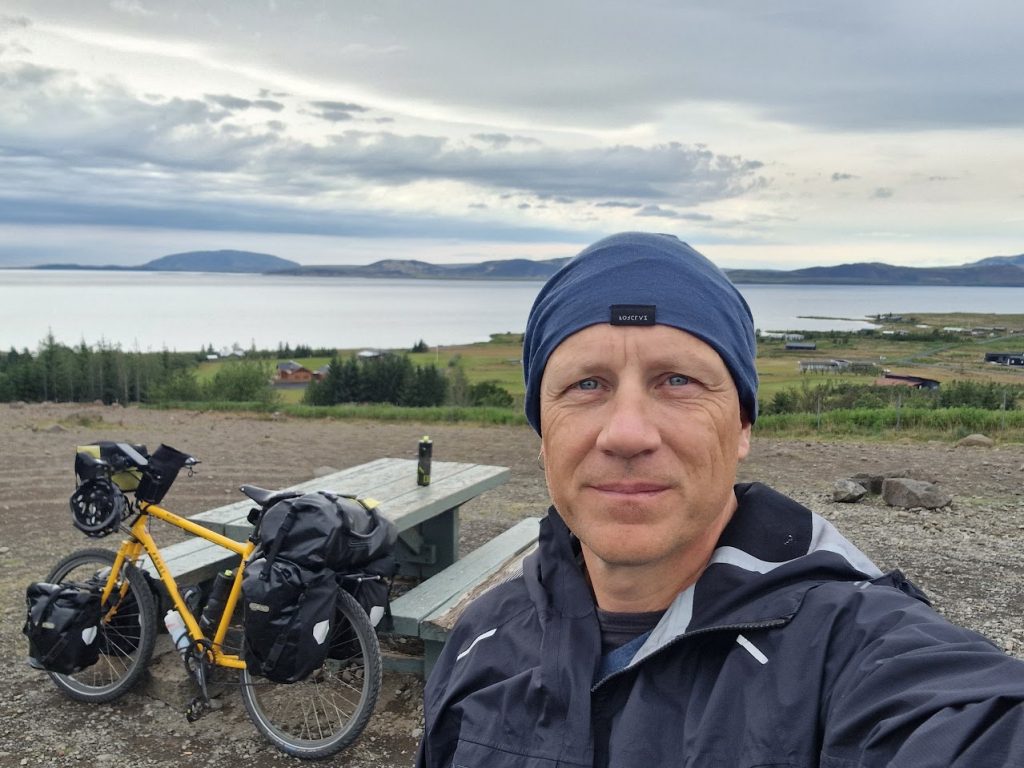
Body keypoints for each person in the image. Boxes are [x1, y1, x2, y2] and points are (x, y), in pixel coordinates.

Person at [416, 232, 1024, 767]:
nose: (627, 433)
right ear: (543, 435)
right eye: (586, 384)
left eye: (677, 381)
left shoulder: (852, 649)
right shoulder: (485, 633)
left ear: (742, 428)